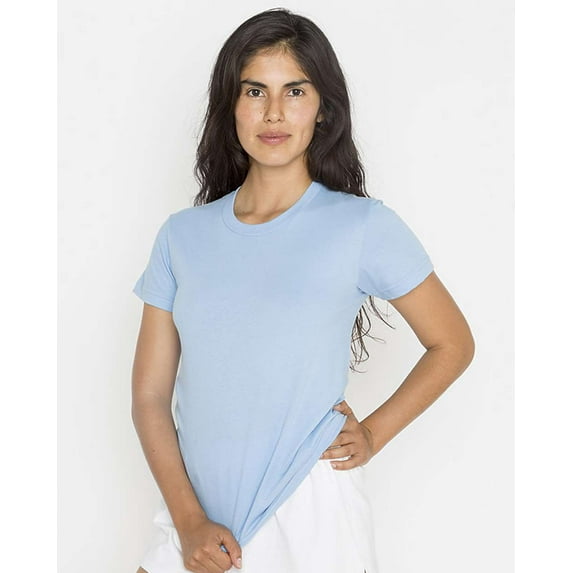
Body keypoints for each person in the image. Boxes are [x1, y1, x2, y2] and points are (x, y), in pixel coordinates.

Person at [131, 8, 475, 573]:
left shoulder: (362, 226)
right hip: (192, 513)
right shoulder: (181, 237)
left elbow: (453, 343)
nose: (274, 112)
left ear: (322, 109)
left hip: (310, 511)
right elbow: (149, 396)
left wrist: (373, 434)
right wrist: (188, 521)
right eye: (254, 91)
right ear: (230, 106)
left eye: (295, 91)